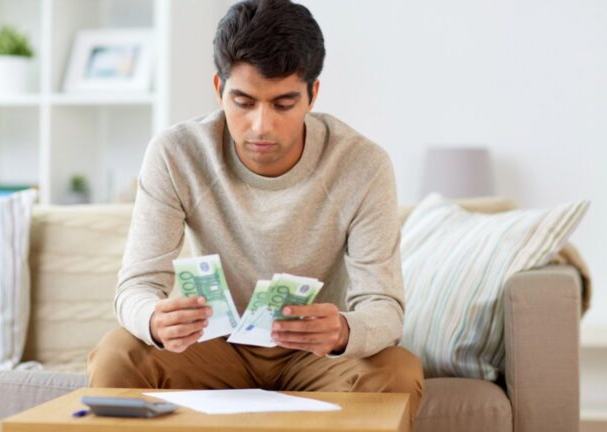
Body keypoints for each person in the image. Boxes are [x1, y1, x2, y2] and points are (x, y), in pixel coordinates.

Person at [88, 0, 424, 422]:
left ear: (312, 95)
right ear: (219, 88)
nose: (261, 125)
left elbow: (384, 307)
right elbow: (135, 286)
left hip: (316, 356)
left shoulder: (362, 164)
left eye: (283, 104)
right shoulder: (177, 153)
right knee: (118, 354)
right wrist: (154, 321)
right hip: (212, 350)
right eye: (243, 102)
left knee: (397, 371)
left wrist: (342, 331)